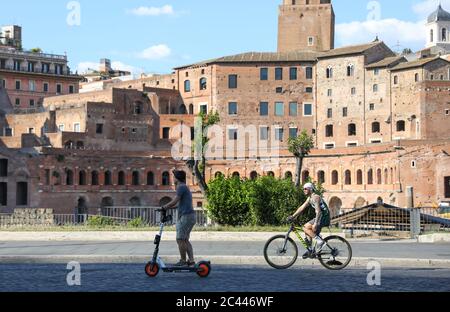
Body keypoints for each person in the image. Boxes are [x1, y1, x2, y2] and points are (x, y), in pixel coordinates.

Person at [161, 170, 196, 267]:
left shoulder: (181, 187)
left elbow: (175, 201)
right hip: (190, 216)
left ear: (177, 178)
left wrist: (164, 207)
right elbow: (179, 204)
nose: (172, 178)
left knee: (180, 239)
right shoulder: (184, 187)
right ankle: (191, 261)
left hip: (186, 216)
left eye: (173, 176)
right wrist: (168, 208)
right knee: (185, 240)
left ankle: (183, 261)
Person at [288, 182, 331, 259]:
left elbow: (318, 211)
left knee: (305, 228)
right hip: (321, 217)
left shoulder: (315, 197)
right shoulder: (310, 198)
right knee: (306, 227)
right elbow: (302, 207)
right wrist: (293, 216)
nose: (304, 190)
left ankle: (319, 241)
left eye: (305, 189)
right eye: (303, 189)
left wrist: (316, 223)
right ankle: (310, 250)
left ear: (310, 189)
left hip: (324, 217)